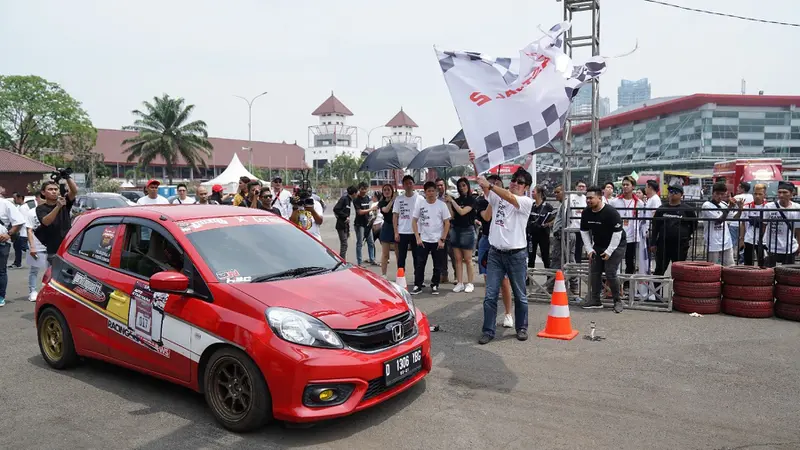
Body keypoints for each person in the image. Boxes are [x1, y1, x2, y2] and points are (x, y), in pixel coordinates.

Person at [474, 156, 534, 344]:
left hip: (516, 254)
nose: (515, 184)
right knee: (490, 294)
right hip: (495, 253)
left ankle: (522, 327)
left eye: (520, 182)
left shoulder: (525, 202)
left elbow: (507, 196)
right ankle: (488, 330)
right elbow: (482, 184)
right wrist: (476, 163)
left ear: (526, 187)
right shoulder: (497, 197)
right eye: (514, 180)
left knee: (520, 294)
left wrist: (491, 186)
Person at [475, 175, 514, 328]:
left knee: (504, 281)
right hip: (487, 240)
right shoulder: (481, 201)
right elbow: (486, 217)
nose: (493, 186)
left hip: (503, 243)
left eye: (497, 184)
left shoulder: (508, 199)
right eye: (490, 184)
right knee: (489, 282)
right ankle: (489, 317)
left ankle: (508, 313)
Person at [579, 186, 627, 313]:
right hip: (598, 244)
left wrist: (609, 251)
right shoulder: (586, 213)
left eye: (591, 198)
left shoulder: (611, 212)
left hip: (616, 244)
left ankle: (617, 301)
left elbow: (617, 234)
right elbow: (584, 231)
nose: (588, 200)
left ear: (599, 198)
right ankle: (595, 300)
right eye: (587, 198)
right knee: (595, 271)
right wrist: (589, 249)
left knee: (610, 271)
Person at [650, 185, 695, 292]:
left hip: (680, 245)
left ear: (681, 195)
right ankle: (657, 294)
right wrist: (653, 243)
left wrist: (686, 236)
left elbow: (694, 225)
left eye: (675, 192)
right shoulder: (661, 209)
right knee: (659, 269)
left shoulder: (688, 210)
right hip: (663, 245)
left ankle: (678, 294)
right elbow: (655, 226)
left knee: (679, 271)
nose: (672, 194)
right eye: (670, 191)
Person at [411, 181, 451, 295]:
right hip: (423, 239)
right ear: (425, 192)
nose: (431, 193)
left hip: (437, 240)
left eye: (433, 190)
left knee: (437, 265)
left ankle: (435, 285)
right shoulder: (421, 204)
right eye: (428, 191)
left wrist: (442, 239)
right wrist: (417, 237)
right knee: (420, 264)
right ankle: (418, 285)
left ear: (436, 192)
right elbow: (414, 220)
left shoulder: (441, 205)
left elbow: (447, 223)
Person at [444, 177, 477, 293]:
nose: (462, 188)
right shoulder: (456, 200)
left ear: (467, 186)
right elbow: (452, 215)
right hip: (456, 230)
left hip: (467, 230)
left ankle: (470, 283)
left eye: (464, 185)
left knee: (468, 259)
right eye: (460, 186)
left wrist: (452, 201)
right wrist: (448, 203)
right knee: (457, 259)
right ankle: (460, 282)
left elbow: (462, 212)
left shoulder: (472, 200)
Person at [610, 176, 642, 292]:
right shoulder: (615, 201)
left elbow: (642, 219)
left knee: (630, 262)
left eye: (627, 184)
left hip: (632, 237)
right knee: (616, 261)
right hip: (618, 236)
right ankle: (616, 286)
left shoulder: (638, 203)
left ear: (633, 187)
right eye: (623, 185)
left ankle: (627, 286)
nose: (625, 187)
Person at [546, 184, 579, 294]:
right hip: (566, 235)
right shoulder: (564, 204)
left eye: (557, 192)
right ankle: (570, 284)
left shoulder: (566, 204)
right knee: (568, 259)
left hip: (564, 236)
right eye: (554, 192)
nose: (555, 195)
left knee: (561, 259)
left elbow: (567, 220)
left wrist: (560, 232)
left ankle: (554, 285)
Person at [700, 182, 741, 266]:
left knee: (730, 266)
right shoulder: (707, 205)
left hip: (726, 240)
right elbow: (718, 220)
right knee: (712, 267)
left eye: (722, 194)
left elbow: (734, 218)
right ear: (713, 193)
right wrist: (729, 207)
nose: (719, 196)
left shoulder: (724, 204)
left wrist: (740, 209)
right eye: (717, 194)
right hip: (713, 241)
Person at [760, 181, 800, 267]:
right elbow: (763, 225)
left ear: (791, 194)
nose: (781, 195)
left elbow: (798, 229)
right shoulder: (769, 207)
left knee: (787, 273)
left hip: (789, 247)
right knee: (769, 273)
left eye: (785, 192)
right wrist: (761, 241)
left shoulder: (797, 208)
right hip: (771, 246)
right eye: (779, 192)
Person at [0, 193, 26, 306]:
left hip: (2, 243)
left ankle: (1, 296)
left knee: (1, 271)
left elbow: (19, 221)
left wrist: (8, 234)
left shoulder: (5, 204)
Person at [393, 176, 422, 277]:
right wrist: (396, 232)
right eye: (406, 183)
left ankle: (418, 280)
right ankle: (401, 278)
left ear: (413, 184)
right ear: (403, 186)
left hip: (416, 232)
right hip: (402, 232)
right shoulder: (399, 199)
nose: (408, 185)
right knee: (401, 257)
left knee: (417, 257)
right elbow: (395, 216)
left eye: (410, 183)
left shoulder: (420, 198)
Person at [638, 179, 662, 300]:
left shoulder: (655, 200)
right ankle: (644, 289)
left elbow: (654, 216)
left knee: (649, 262)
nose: (645, 189)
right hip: (645, 231)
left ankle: (650, 291)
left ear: (650, 188)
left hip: (649, 232)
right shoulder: (650, 199)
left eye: (646, 187)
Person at [26, 193, 48, 302]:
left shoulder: (52, 210)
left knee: (50, 270)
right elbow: (29, 230)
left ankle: (47, 291)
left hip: (51, 246)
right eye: (41, 198)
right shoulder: (31, 212)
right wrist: (32, 246)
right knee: (34, 270)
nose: (43, 200)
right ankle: (33, 291)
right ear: (37, 199)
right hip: (37, 246)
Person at [435, 178, 457, 284]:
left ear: (445, 186)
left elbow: (453, 215)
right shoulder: (434, 199)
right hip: (439, 229)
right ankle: (444, 275)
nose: (440, 187)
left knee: (452, 253)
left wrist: (449, 202)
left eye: (441, 185)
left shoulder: (450, 198)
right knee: (441, 254)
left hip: (450, 228)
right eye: (438, 185)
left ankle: (457, 275)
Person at [527, 185, 554, 269]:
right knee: (531, 258)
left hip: (543, 235)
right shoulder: (531, 206)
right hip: (532, 235)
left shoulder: (548, 206)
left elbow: (554, 218)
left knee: (545, 257)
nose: (532, 193)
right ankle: (529, 280)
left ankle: (549, 279)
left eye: (533, 192)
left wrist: (549, 224)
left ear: (539, 193)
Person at [741, 183, 767, 266]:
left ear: (764, 194)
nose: (757, 196)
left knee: (762, 263)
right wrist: (741, 239)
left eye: (760, 194)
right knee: (748, 263)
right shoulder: (747, 206)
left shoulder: (769, 206)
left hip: (764, 240)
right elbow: (743, 223)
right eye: (755, 194)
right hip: (749, 238)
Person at [353, 182, 377, 266]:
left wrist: (371, 214)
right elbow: (359, 212)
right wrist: (370, 209)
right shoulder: (356, 199)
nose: (364, 190)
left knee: (371, 242)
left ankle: (372, 259)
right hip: (359, 224)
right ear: (359, 189)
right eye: (362, 189)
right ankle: (359, 262)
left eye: (365, 189)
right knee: (359, 243)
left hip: (367, 223)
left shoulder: (367, 198)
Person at [333, 186, 358, 261]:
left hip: (345, 225)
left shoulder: (349, 200)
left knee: (344, 244)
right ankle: (342, 261)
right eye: (356, 194)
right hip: (340, 225)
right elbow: (336, 209)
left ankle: (342, 259)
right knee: (344, 244)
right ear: (353, 193)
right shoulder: (344, 199)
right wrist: (345, 217)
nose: (356, 195)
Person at [377, 184, 396, 278]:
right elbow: (386, 210)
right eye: (385, 190)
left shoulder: (398, 201)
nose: (387, 191)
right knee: (385, 253)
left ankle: (401, 273)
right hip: (387, 227)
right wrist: (392, 200)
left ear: (392, 191)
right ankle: (384, 274)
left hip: (397, 227)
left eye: (388, 189)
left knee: (398, 253)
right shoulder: (381, 203)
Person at [569, 180, 587, 264]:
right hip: (572, 227)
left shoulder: (586, 199)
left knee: (579, 249)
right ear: (576, 187)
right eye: (580, 186)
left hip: (581, 228)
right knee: (570, 249)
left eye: (583, 186)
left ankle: (578, 266)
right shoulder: (571, 197)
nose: (581, 188)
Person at [10, 192, 29, 269]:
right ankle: (17, 263)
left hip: (21, 232)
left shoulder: (23, 208)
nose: (14, 200)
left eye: (15, 198)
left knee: (20, 248)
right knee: (17, 247)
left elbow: (21, 221)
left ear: (20, 198)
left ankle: (18, 263)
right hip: (21, 232)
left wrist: (17, 231)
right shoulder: (20, 207)